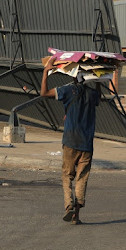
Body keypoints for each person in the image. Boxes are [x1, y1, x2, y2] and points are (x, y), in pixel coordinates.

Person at [40, 56, 101, 225]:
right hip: (87, 143)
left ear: (73, 75)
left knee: (67, 176)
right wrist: (98, 78)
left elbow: (44, 93)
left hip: (70, 141)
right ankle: (77, 214)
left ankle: (69, 206)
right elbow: (98, 95)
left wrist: (46, 72)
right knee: (82, 177)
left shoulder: (67, 91)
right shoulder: (92, 93)